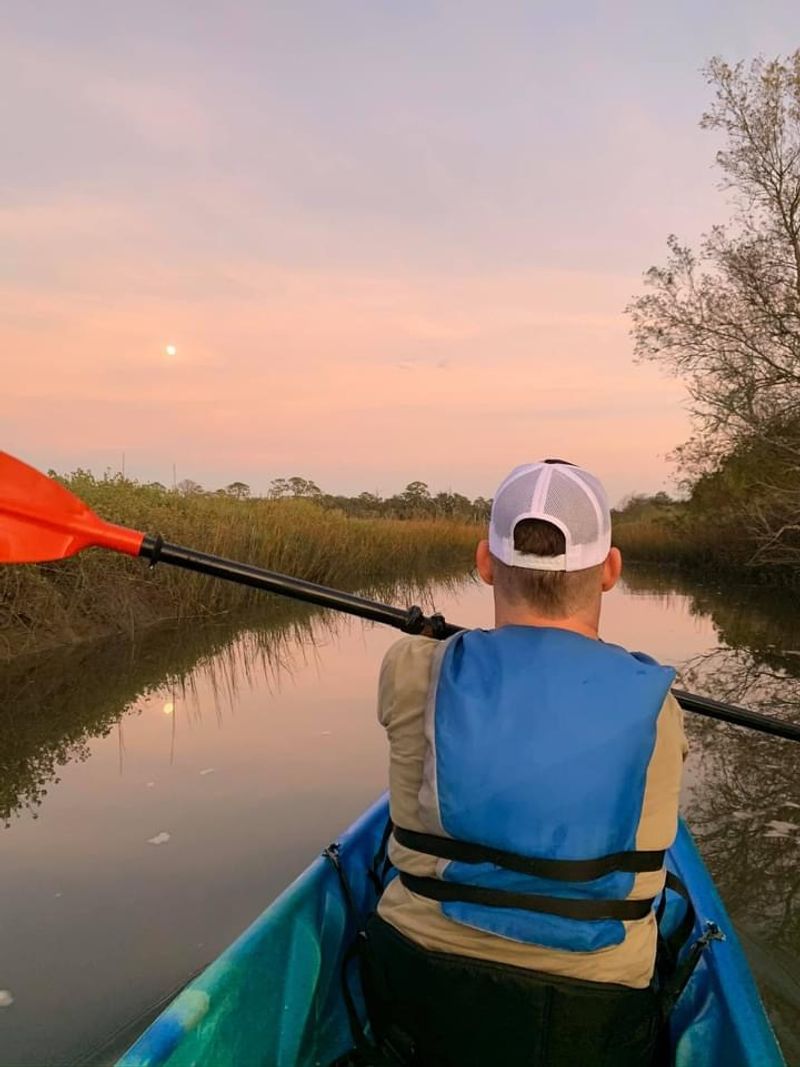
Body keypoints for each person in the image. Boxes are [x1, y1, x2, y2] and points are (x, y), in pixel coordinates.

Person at [362, 460, 687, 1067]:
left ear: (484, 562)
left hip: (419, 983)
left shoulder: (411, 667)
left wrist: (437, 637)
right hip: (595, 1009)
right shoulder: (659, 707)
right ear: (610, 571)